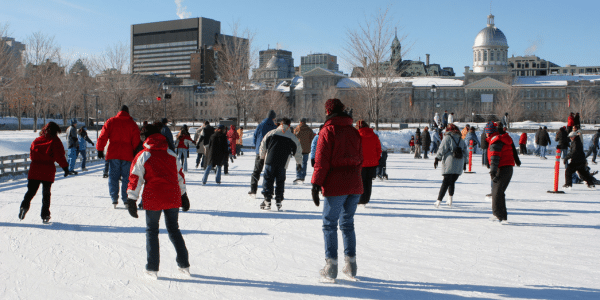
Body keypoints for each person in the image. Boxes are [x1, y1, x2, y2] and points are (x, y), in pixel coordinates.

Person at [125, 122, 190, 278]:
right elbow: (179, 176)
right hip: (172, 196)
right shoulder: (171, 154)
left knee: (152, 231)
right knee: (174, 229)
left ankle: (152, 267)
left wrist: (131, 199)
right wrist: (184, 195)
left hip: (154, 197)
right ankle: (184, 264)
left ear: (146, 138)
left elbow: (135, 178)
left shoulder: (143, 155)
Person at [311, 98, 362, 282]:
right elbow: (360, 158)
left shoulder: (327, 130)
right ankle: (351, 265)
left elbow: (321, 160)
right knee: (347, 223)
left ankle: (331, 266)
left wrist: (316, 184)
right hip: (354, 183)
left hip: (336, 184)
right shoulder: (353, 131)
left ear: (328, 112)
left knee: (329, 224)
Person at [18, 122, 70, 223]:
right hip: (47, 170)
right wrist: (65, 168)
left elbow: (31, 155)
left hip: (35, 169)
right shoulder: (55, 141)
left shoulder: (37, 140)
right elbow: (60, 156)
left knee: (30, 192)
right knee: (46, 194)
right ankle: (45, 215)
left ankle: (24, 206)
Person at [96, 105, 141, 209]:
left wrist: (100, 149)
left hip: (113, 154)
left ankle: (114, 199)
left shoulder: (111, 121)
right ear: (128, 112)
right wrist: (135, 153)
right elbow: (136, 140)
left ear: (119, 112)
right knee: (127, 178)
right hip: (127, 154)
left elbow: (103, 136)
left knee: (113, 177)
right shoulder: (132, 124)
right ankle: (125, 199)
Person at [259, 117, 303, 210]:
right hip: (283, 163)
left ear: (280, 124)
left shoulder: (271, 133)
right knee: (280, 181)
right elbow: (298, 150)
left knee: (268, 179)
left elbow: (263, 145)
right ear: (289, 125)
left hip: (270, 161)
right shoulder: (292, 137)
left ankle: (267, 199)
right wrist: (299, 163)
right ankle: (278, 199)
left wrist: (261, 157)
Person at [486, 122, 521, 223]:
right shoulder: (501, 138)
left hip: (501, 168)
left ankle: (499, 215)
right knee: (499, 193)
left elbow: (495, 157)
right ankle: (500, 215)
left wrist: (493, 172)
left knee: (496, 193)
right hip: (507, 168)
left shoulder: (496, 140)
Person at [433, 124, 467, 207]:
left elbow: (442, 148)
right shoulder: (461, 139)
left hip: (449, 162)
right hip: (459, 162)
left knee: (445, 182)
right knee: (452, 182)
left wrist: (437, 158)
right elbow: (465, 152)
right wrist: (465, 163)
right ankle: (450, 199)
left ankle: (438, 201)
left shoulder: (447, 138)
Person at [248, 110, 277, 198]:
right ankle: (270, 191)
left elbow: (255, 136)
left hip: (260, 151)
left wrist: (256, 147)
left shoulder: (260, 125)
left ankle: (253, 190)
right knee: (270, 172)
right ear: (274, 117)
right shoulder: (274, 127)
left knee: (256, 171)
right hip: (270, 152)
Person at [356, 120, 381, 206]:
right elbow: (379, 149)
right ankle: (366, 199)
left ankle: (360, 199)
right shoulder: (374, 136)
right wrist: (376, 159)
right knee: (368, 182)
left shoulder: (357, 136)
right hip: (372, 164)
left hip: (360, 164)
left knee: (360, 182)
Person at [294, 118, 315, 184]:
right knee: (304, 163)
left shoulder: (297, 129)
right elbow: (312, 138)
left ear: (300, 122)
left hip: (298, 149)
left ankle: (298, 176)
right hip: (306, 149)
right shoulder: (309, 129)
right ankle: (303, 176)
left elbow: (294, 137)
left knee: (298, 162)